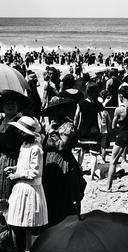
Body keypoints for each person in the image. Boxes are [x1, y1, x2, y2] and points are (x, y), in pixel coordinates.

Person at [0, 90, 28, 234]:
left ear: (18, 106)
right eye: (6, 104)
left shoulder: (20, 123)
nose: (9, 106)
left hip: (10, 162)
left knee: (7, 195)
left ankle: (8, 231)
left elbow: (17, 144)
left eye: (12, 104)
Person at [4, 116, 48, 252]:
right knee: (20, 220)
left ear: (26, 133)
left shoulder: (36, 148)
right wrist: (15, 168)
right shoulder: (24, 146)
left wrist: (17, 175)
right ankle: (22, 250)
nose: (18, 133)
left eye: (20, 131)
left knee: (33, 222)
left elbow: (35, 172)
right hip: (21, 187)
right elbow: (25, 165)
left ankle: (34, 251)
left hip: (31, 188)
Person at [41, 96, 85, 226]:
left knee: (62, 194)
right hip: (49, 162)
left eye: (56, 110)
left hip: (63, 163)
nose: (53, 114)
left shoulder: (68, 125)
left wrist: (53, 132)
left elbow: (61, 146)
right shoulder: (52, 124)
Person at [106, 86, 128, 192]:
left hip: (123, 136)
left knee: (113, 162)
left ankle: (109, 187)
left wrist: (120, 124)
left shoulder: (120, 109)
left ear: (120, 95)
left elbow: (113, 126)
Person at [74, 82, 104, 179]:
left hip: (83, 129)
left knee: (81, 151)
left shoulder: (81, 103)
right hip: (94, 130)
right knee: (94, 154)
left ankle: (78, 170)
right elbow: (102, 117)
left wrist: (75, 127)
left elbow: (77, 116)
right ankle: (92, 174)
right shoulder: (98, 104)